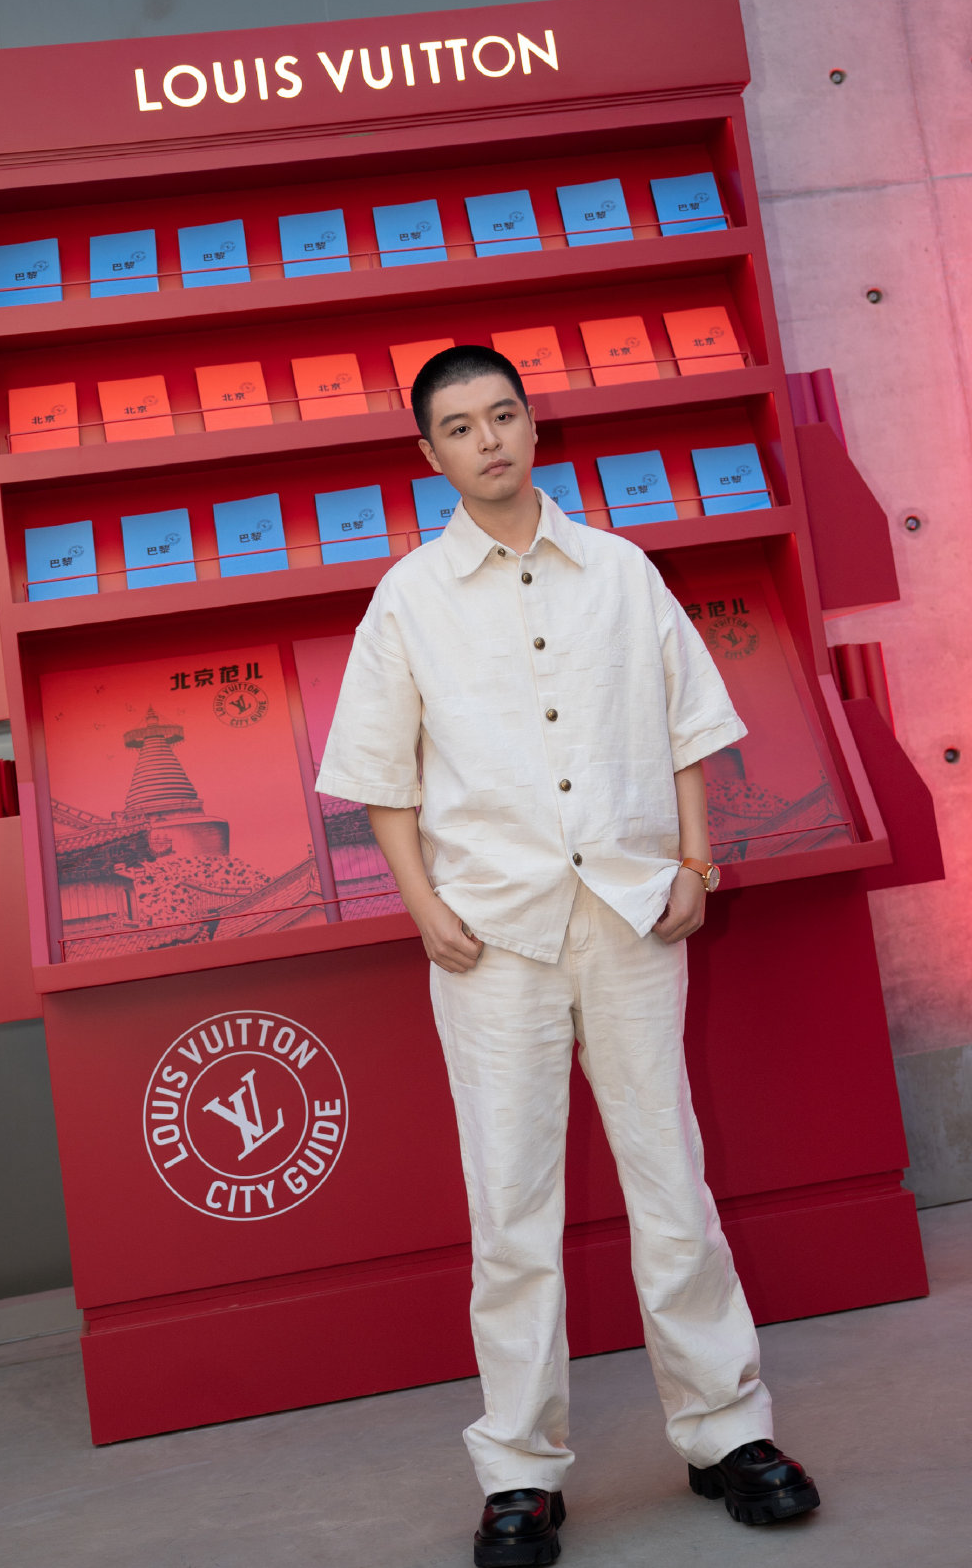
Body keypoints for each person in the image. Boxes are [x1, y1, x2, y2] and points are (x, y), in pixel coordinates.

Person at [315, 346, 819, 1564]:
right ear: (428, 453)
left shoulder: (622, 572)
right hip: (490, 938)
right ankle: (521, 1471)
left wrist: (695, 861)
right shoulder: (409, 597)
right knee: (512, 1210)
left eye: (503, 414)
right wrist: (423, 905)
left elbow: (686, 724)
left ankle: (727, 1430)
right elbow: (382, 775)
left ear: (534, 425)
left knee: (672, 1181)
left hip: (631, 914)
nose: (487, 439)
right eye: (459, 426)